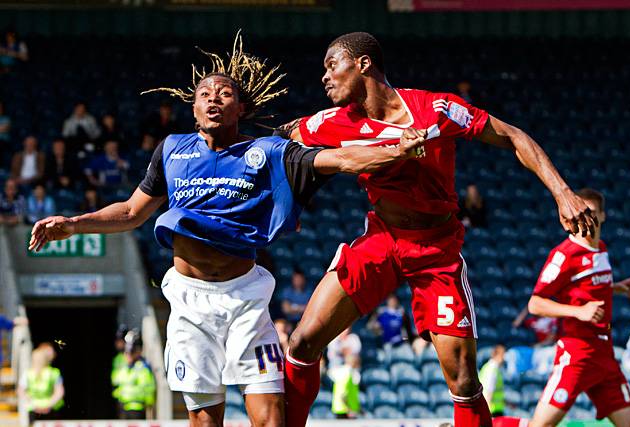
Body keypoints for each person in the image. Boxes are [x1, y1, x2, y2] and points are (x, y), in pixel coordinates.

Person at [28, 33, 428, 427]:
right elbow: (133, 211)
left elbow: (340, 159)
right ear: (194, 109)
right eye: (205, 94)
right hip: (188, 303)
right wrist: (75, 223)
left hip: (246, 300)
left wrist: (393, 150)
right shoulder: (171, 150)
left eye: (224, 93)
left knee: (271, 417)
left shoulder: (268, 152)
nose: (214, 99)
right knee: (204, 420)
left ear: (241, 107)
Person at [276, 31, 597, 427]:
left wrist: (563, 193)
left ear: (363, 64)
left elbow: (513, 136)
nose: (324, 77)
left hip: (436, 251)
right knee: (302, 342)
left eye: (331, 65)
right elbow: (278, 143)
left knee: (463, 380)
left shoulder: (437, 110)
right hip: (380, 240)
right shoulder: (330, 122)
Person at [526, 189, 630, 427]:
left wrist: (617, 287)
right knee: (541, 425)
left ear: (604, 216)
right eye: (581, 214)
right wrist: (579, 311)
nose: (587, 220)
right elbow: (535, 303)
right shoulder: (564, 255)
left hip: (604, 354)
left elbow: (588, 288)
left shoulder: (602, 249)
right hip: (576, 353)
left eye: (592, 214)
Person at [113, 330, 156, 419]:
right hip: (124, 407)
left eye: (130, 352)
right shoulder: (125, 367)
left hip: (137, 409)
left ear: (137, 352)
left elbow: (148, 389)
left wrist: (149, 404)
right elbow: (118, 384)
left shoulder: (142, 368)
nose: (127, 355)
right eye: (126, 352)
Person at [18, 346, 64, 424]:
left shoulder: (27, 374)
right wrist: (49, 405)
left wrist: (32, 404)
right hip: (50, 409)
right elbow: (59, 392)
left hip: (34, 408)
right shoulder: (54, 373)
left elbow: (21, 391)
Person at [329, 354, 361, 419]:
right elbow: (343, 395)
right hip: (346, 411)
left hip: (341, 409)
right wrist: (348, 409)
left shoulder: (341, 371)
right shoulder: (348, 374)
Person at [478, 344, 506, 417]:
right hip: (492, 410)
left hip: (494, 409)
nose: (504, 358)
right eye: (502, 355)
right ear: (497, 355)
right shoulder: (492, 368)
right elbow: (488, 389)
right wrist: (486, 412)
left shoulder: (489, 367)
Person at [111, 325, 128, 417]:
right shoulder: (117, 359)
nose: (117, 343)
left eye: (119, 340)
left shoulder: (130, 358)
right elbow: (114, 379)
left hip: (129, 399)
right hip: (120, 397)